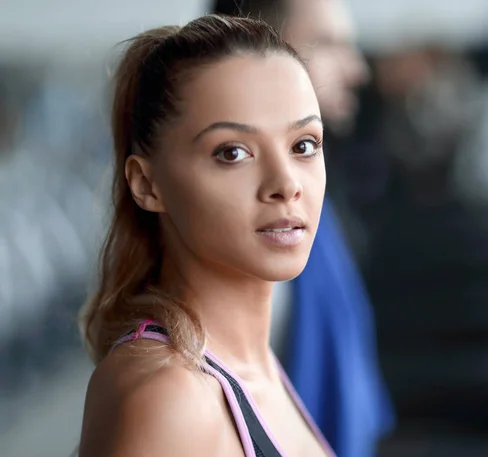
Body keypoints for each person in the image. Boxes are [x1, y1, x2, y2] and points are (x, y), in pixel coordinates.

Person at [78, 15, 333, 457]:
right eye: (232, 152)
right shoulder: (169, 397)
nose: (286, 183)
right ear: (146, 184)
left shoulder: (255, 365)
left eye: (303, 145)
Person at [210, 2, 395, 457]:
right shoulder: (256, 233)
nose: (358, 71)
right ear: (263, 50)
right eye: (332, 45)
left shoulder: (307, 204)